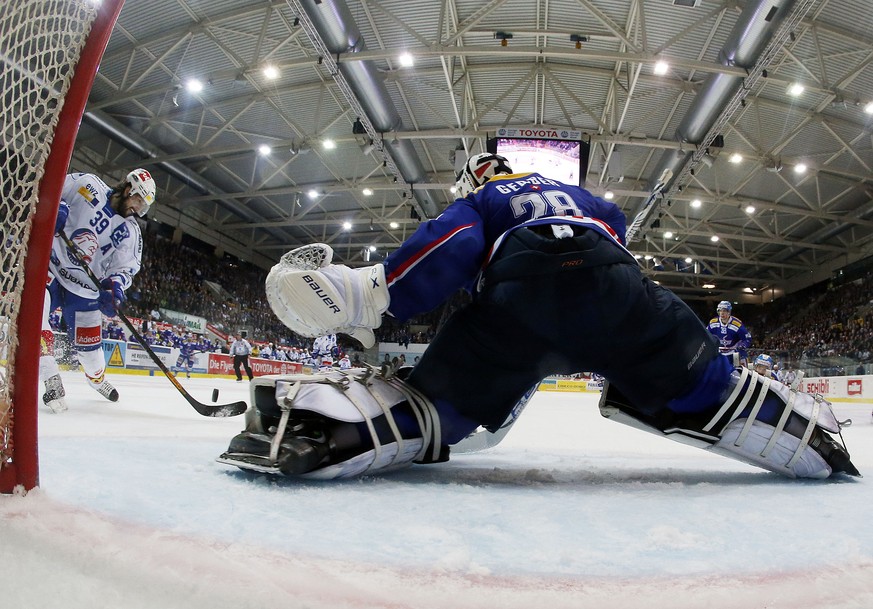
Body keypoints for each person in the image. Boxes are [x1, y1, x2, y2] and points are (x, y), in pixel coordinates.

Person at [221, 152, 858, 480]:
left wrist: (374, 293)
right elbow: (615, 225)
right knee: (706, 388)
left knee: (435, 410)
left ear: (477, 175)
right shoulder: (581, 197)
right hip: (618, 290)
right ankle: (815, 444)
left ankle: (323, 431)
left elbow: (455, 248)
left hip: (520, 303)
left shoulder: (483, 198)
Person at [42, 168, 155, 406]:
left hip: (85, 291)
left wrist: (115, 289)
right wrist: (57, 208)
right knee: (34, 317)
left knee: (92, 357)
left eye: (144, 207)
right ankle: (50, 376)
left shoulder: (130, 232)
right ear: (128, 189)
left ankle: (96, 379)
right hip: (51, 267)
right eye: (138, 201)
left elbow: (124, 269)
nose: (139, 210)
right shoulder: (87, 184)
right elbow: (51, 188)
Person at [707, 301, 752, 367]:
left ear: (729, 312)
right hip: (719, 352)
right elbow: (706, 335)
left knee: (742, 370)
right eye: (720, 311)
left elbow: (747, 338)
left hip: (734, 352)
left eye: (724, 311)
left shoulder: (737, 324)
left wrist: (742, 345)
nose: (722, 313)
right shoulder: (713, 322)